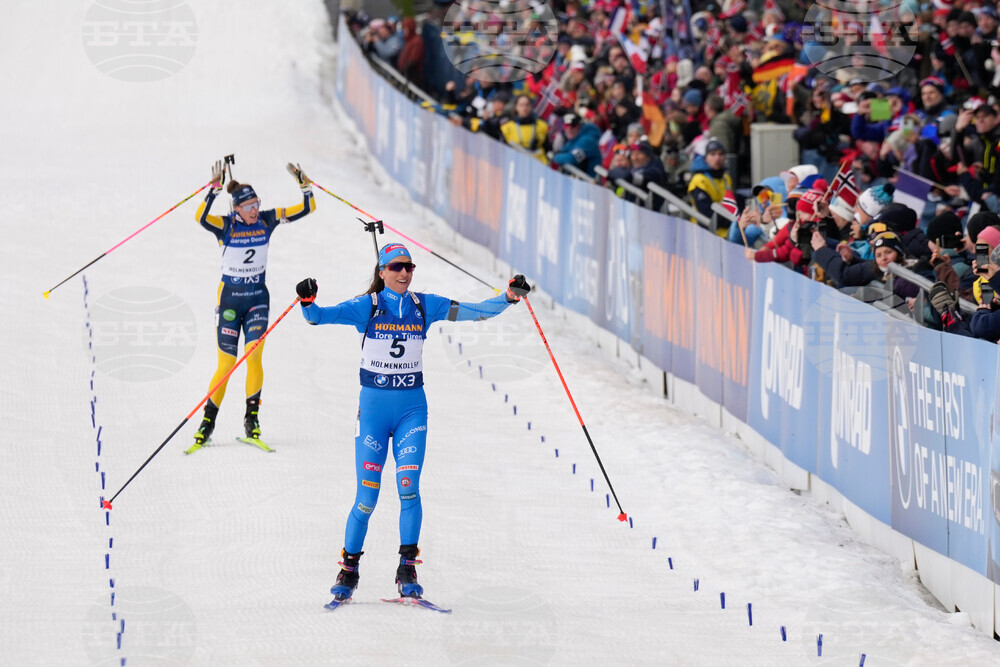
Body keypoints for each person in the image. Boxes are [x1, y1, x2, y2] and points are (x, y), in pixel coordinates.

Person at [295, 244, 531, 602]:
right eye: (396, 267)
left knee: (408, 487)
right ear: (382, 271)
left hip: (411, 411)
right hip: (373, 414)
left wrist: (509, 297)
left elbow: (477, 312)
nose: (404, 273)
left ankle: (407, 569)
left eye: (409, 267)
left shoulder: (425, 305)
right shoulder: (367, 307)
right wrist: (307, 300)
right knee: (367, 497)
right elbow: (318, 318)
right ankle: (349, 570)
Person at [188, 161, 316, 451]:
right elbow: (200, 217)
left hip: (258, 299)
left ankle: (252, 421)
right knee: (226, 364)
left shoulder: (267, 220)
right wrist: (213, 190)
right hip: (230, 302)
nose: (255, 210)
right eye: (248, 207)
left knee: (254, 358)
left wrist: (305, 186)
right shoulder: (226, 225)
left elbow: (307, 208)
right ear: (236, 209)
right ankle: (207, 423)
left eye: (257, 204)